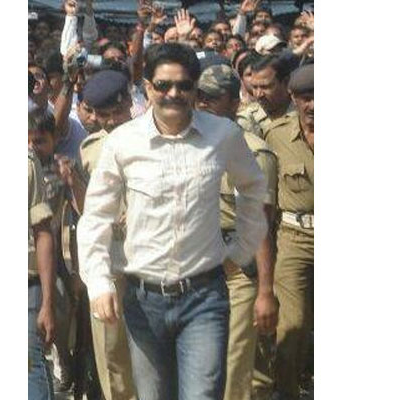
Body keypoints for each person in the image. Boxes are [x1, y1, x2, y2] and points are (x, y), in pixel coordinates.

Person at [77, 43, 268, 400]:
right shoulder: (123, 142)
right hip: (143, 299)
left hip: (204, 297)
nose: (173, 94)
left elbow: (254, 188)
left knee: (202, 395)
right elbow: (97, 215)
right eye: (163, 85)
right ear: (148, 87)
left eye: (183, 85)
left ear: (195, 88)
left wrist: (241, 250)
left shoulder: (223, 135)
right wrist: (99, 282)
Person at [195, 64, 278, 400]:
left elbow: (259, 226)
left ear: (234, 102)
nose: (202, 104)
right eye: (199, 96)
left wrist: (265, 290)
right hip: (197, 265)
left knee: (235, 362)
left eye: (212, 98)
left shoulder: (253, 152)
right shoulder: (189, 145)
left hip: (237, 268)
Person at [77, 70, 137, 400]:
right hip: (110, 261)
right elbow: (85, 209)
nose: (111, 122)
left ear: (129, 102)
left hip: (151, 260)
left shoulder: (154, 139)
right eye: (103, 115)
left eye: (116, 112)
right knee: (112, 355)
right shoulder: (90, 148)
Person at [263, 64, 314, 400]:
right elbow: (265, 198)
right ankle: (286, 391)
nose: (313, 105)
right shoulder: (276, 135)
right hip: (294, 239)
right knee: (292, 325)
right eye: (306, 97)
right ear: (293, 98)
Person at [28, 115, 56, 400]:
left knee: (29, 365)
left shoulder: (27, 165)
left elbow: (43, 232)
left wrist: (47, 303)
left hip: (27, 284)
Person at [237, 55, 295, 140]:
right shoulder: (248, 121)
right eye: (254, 87)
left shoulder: (305, 112)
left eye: (265, 87)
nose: (259, 94)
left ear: (286, 83)